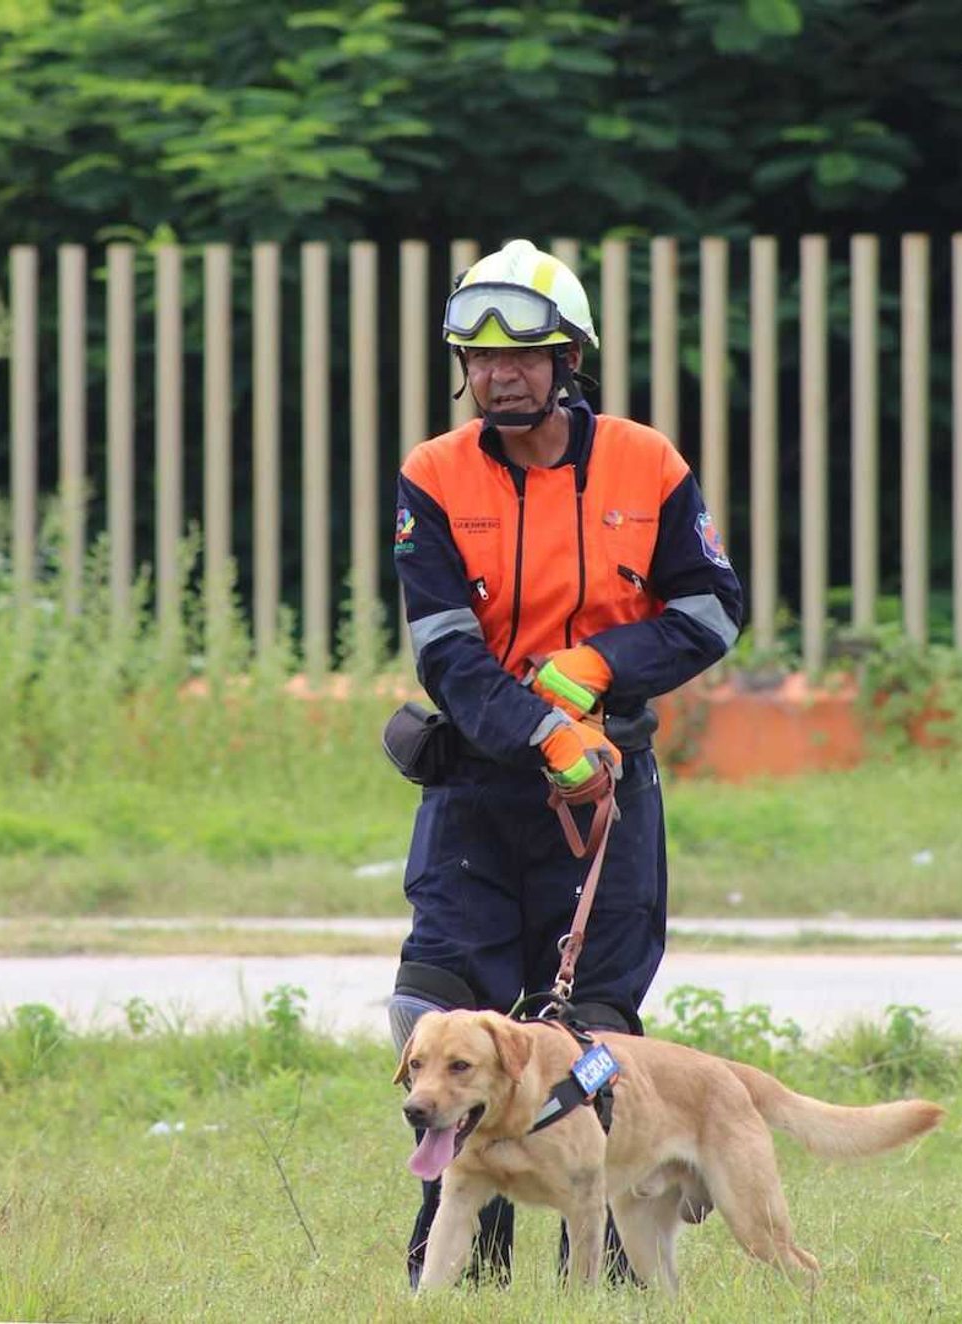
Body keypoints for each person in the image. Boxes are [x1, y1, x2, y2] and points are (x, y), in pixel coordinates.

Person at [386, 238, 743, 1286]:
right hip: (476, 788)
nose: (498, 374)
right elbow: (444, 651)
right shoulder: (433, 474)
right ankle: (462, 1263)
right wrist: (541, 728)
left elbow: (712, 608)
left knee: (591, 1035)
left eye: (524, 356)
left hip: (605, 794)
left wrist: (600, 663)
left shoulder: (648, 462)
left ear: (567, 359)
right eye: (478, 357)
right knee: (435, 1009)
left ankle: (607, 1269)